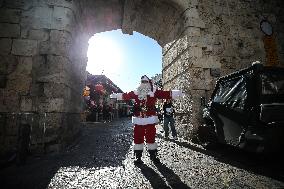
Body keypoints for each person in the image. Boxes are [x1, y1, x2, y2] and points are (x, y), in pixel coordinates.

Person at [110, 75, 183, 164]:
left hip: (150, 119)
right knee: (138, 137)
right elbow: (127, 95)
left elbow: (165, 94)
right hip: (139, 119)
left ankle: (153, 155)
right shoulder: (136, 92)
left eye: (145, 82)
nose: (144, 84)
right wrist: (116, 95)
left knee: (151, 137)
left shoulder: (154, 91)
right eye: (142, 82)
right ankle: (138, 157)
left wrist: (177, 93)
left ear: (149, 83)